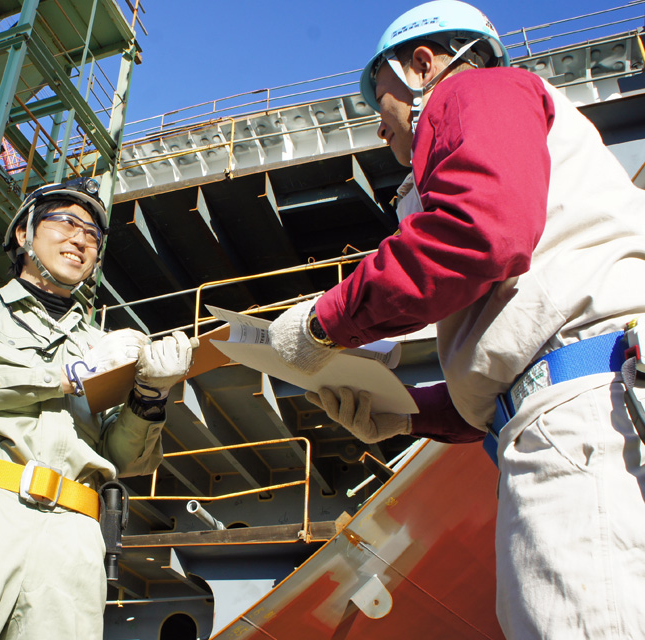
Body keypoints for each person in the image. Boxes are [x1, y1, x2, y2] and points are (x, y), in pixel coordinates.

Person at [268, 1, 645, 637]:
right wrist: (408, 413)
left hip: (582, 424)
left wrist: (321, 324)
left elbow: (479, 233)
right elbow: (527, 353)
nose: (380, 130)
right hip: (595, 400)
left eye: (379, 100)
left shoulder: (471, 89)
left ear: (420, 66)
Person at [0, 176, 197, 639]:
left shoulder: (100, 343)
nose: (80, 238)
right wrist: (68, 375)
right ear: (24, 234)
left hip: (73, 540)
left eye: (92, 234)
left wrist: (150, 396)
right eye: (65, 222)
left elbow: (125, 459)